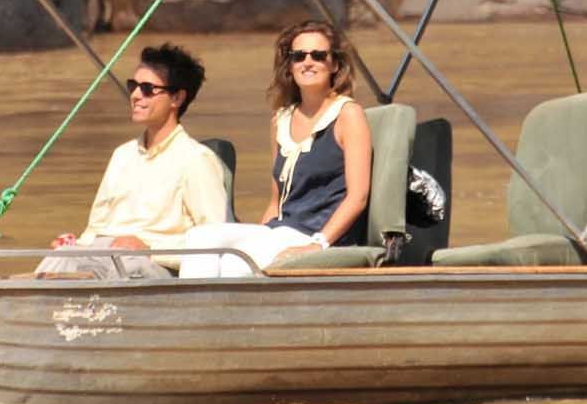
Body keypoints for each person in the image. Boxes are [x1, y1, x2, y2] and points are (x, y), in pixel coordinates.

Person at [179, 20, 371, 277]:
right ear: (290, 66)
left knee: (234, 267)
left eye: (318, 55)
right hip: (280, 231)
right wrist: (258, 235)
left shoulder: (349, 114)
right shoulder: (280, 120)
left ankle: (200, 313)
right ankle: (192, 313)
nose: (308, 62)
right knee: (201, 237)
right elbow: (275, 201)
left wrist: (318, 244)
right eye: (299, 56)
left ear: (334, 64)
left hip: (318, 235)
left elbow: (358, 197)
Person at [36, 43, 230, 278]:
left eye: (148, 89)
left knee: (122, 267)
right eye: (133, 86)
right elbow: (94, 229)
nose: (136, 95)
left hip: (150, 265)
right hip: (105, 254)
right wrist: (74, 245)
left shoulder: (196, 159)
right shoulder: (122, 155)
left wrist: (151, 250)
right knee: (57, 260)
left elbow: (216, 241)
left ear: (177, 98)